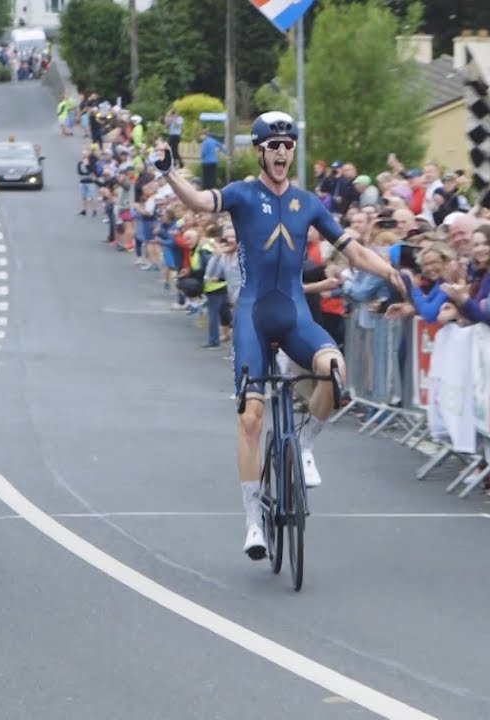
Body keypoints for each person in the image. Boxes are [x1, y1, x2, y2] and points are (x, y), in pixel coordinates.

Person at [155, 111, 403, 561]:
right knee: (251, 418)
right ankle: (253, 521)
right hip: (252, 314)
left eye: (288, 145)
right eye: (273, 145)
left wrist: (390, 272)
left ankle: (305, 445)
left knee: (335, 370)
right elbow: (196, 201)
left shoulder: (308, 203)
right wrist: (169, 170)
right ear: (260, 151)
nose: (282, 152)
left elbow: (354, 250)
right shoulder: (241, 194)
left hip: (293, 314)